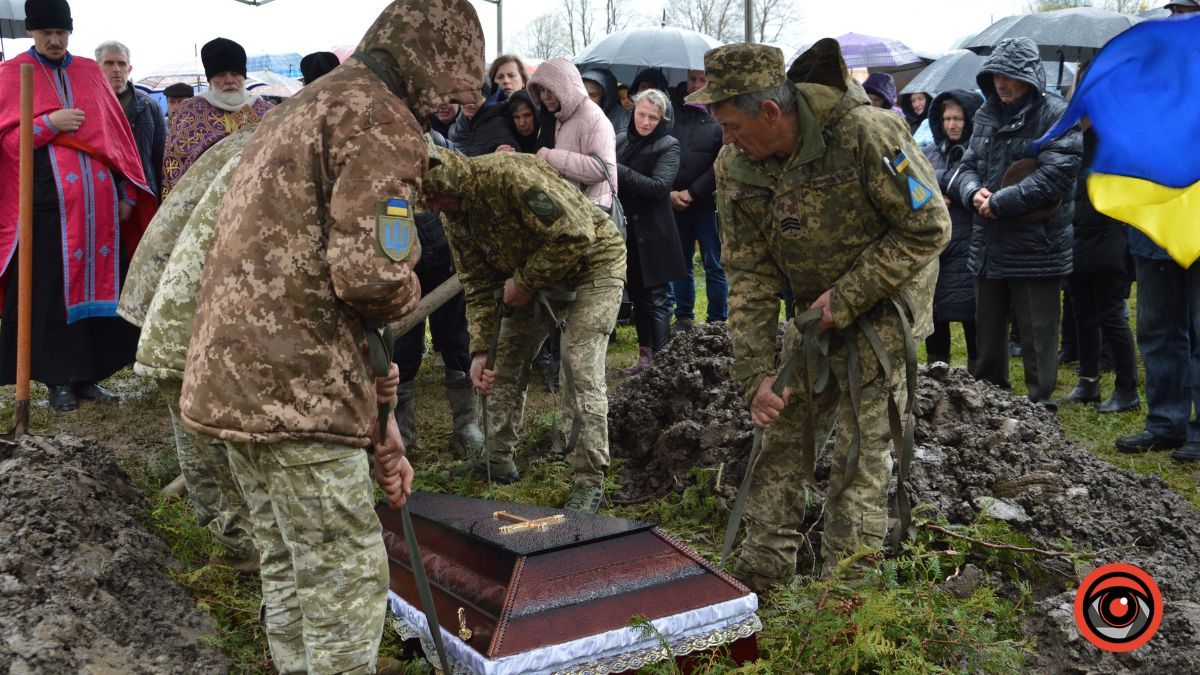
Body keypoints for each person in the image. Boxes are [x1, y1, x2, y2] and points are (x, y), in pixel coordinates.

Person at [178, 1, 484, 671]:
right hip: (299, 393)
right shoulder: (380, 119)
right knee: (344, 580)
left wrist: (382, 414)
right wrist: (405, 288)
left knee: (289, 563)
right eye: (451, 93)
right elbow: (371, 278)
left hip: (231, 381)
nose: (446, 114)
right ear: (431, 62)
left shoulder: (305, 106)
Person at [691, 41, 949, 587]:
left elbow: (929, 226)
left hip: (884, 305)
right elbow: (749, 274)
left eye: (733, 124)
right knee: (784, 431)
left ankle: (847, 596)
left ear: (771, 111)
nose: (726, 138)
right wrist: (755, 375)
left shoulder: (867, 135)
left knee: (861, 449)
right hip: (813, 313)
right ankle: (759, 578)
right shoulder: (735, 166)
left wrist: (850, 295)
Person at [424, 146, 626, 513]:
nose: (435, 207)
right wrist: (482, 349)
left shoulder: (508, 175)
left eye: (437, 197)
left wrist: (526, 281)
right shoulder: (454, 215)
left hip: (594, 264)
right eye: (428, 202)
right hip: (531, 278)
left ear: (452, 182)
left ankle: (589, 477)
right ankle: (497, 458)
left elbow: (577, 233)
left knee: (578, 368)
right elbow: (477, 282)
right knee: (501, 361)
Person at [0, 0, 155, 413]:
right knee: (50, 292)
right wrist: (48, 125)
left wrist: (127, 192)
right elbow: (7, 145)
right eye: (46, 32)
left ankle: (90, 376)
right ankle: (57, 380)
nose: (54, 40)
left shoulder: (89, 71)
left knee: (100, 289)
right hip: (47, 208)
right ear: (32, 33)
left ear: (71, 32)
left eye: (61, 33)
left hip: (99, 209)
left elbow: (116, 139)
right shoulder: (13, 74)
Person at [120, 128, 259, 571]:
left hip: (168, 294)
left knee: (195, 421)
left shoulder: (258, 135)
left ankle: (235, 534)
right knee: (207, 431)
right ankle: (240, 546)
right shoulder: (293, 153)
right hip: (193, 314)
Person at [951, 37, 1082, 407]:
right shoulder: (985, 114)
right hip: (989, 245)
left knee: (1038, 335)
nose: (1001, 83)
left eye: (1009, 76)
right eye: (995, 76)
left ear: (1029, 77)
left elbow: (1059, 174)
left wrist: (1001, 203)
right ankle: (989, 407)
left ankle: (1041, 409)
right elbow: (966, 164)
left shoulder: (1056, 114)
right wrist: (972, 192)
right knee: (988, 335)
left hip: (1036, 246)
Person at [391, 130, 484, 458]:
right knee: (402, 347)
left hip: (446, 259)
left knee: (456, 341)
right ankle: (402, 435)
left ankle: (466, 425)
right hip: (401, 260)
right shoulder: (379, 156)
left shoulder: (440, 145)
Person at [1061, 118, 1140, 413]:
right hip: (1077, 237)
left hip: (1108, 239)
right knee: (1083, 315)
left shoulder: (1114, 138)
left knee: (1112, 315)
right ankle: (1088, 381)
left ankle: (1127, 389)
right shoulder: (1070, 139)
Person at [616, 88, 683, 374]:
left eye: (652, 118)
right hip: (629, 231)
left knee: (656, 299)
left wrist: (617, 169)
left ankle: (665, 364)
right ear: (633, 112)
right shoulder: (620, 141)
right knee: (639, 299)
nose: (645, 122)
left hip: (655, 232)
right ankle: (646, 360)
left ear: (662, 119)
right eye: (641, 115)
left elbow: (659, 186)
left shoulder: (669, 144)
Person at [161, 37, 272, 196]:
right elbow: (175, 164)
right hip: (203, 204)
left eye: (235, 74)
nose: (229, 80)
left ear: (244, 77)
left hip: (256, 198)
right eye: (220, 74)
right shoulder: (189, 111)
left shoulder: (265, 111)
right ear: (210, 79)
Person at [922, 89, 982, 371]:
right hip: (937, 249)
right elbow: (908, 176)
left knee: (974, 317)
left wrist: (944, 185)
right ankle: (937, 375)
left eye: (958, 118)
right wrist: (934, 193)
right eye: (946, 118)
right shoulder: (931, 152)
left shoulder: (979, 151)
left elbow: (977, 186)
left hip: (970, 244)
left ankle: (978, 378)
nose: (952, 124)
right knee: (936, 315)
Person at [669, 68, 727, 334]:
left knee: (713, 263)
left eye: (702, 79)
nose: (696, 84)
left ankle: (717, 320)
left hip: (708, 203)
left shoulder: (720, 116)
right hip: (676, 202)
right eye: (693, 79)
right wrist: (671, 192)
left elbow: (721, 164)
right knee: (680, 262)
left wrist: (693, 192)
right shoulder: (673, 114)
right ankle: (683, 316)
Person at [527, 58, 617, 211]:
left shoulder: (593, 118)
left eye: (551, 89)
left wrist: (550, 157)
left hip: (590, 212)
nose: (545, 96)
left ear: (566, 87)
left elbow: (603, 169)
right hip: (561, 207)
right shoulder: (552, 116)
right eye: (541, 90)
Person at [96, 40, 165, 201]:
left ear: (129, 68)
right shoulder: (89, 105)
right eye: (109, 63)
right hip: (103, 196)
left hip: (144, 194)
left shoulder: (150, 107)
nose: (116, 69)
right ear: (97, 67)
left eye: (121, 63)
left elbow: (160, 158)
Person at [449, 81, 517, 157]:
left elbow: (515, 156)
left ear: (487, 99)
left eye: (477, 98)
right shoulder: (454, 128)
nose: (470, 104)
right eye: (466, 98)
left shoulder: (499, 123)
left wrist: (498, 158)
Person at [581, 67, 630, 135]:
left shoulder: (624, 125)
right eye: (583, 93)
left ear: (606, 97)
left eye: (593, 95)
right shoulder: (575, 114)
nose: (586, 99)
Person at [503, 89, 539, 153]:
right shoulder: (506, 140)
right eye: (516, 117)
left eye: (527, 115)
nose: (522, 123)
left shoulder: (549, 138)